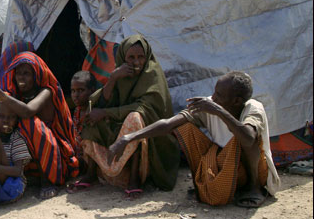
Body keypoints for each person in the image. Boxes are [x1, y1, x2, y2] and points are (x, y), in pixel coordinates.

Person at [108, 71, 281, 207]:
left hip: (253, 171)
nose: (213, 98)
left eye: (219, 95)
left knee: (244, 138)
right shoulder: (210, 105)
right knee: (184, 127)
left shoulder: (252, 108)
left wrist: (219, 111)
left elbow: (249, 139)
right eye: (214, 92)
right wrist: (128, 138)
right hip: (227, 166)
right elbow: (168, 124)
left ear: (236, 101)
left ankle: (254, 188)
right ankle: (206, 185)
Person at [0, 46, 79, 200]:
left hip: (52, 149)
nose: (21, 78)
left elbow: (27, 111)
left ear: (36, 75)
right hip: (23, 147)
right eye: (18, 73)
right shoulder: (13, 93)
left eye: (26, 74)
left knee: (31, 124)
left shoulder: (46, 91)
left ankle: (47, 180)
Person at [71, 34, 179, 197]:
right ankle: (91, 172)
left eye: (140, 57)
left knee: (134, 119)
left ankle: (134, 179)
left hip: (151, 134)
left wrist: (106, 113)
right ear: (123, 57)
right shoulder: (121, 73)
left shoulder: (152, 74)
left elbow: (144, 108)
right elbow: (103, 101)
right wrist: (113, 78)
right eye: (131, 57)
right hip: (121, 122)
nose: (136, 62)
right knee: (93, 115)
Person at [69, 70, 97, 173]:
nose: (75, 95)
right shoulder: (77, 110)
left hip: (91, 158)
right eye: (73, 91)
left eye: (80, 90)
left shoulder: (94, 113)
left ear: (92, 91)